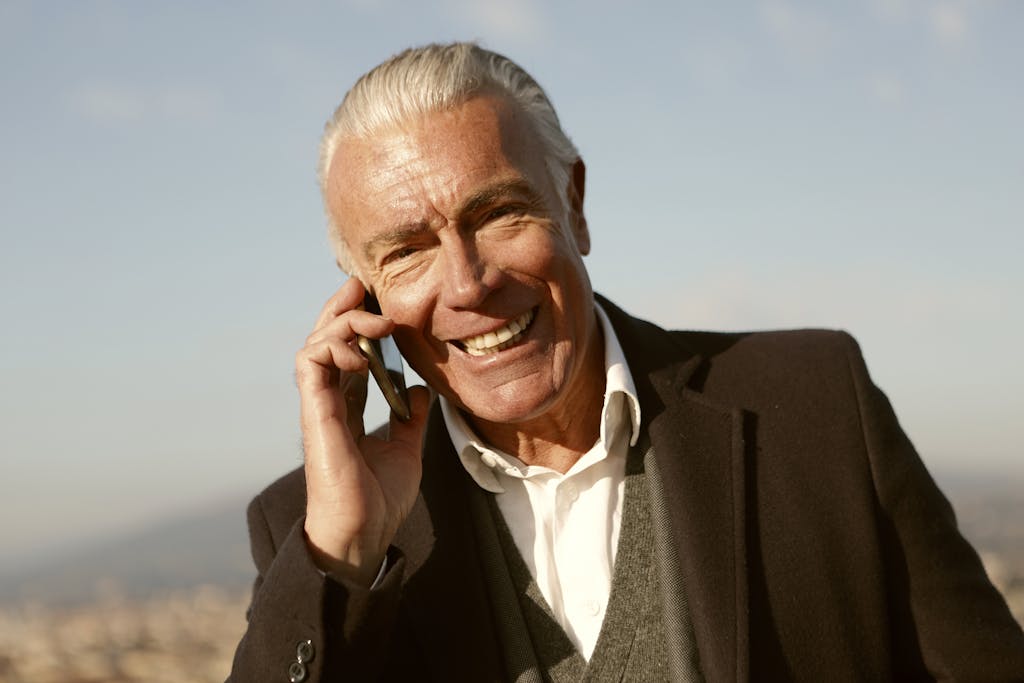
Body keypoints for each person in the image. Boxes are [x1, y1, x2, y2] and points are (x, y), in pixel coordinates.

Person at [228, 42, 1024, 682]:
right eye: (407, 254)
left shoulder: (816, 405)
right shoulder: (316, 534)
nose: (468, 283)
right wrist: (340, 554)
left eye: (499, 213)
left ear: (573, 202)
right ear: (362, 297)